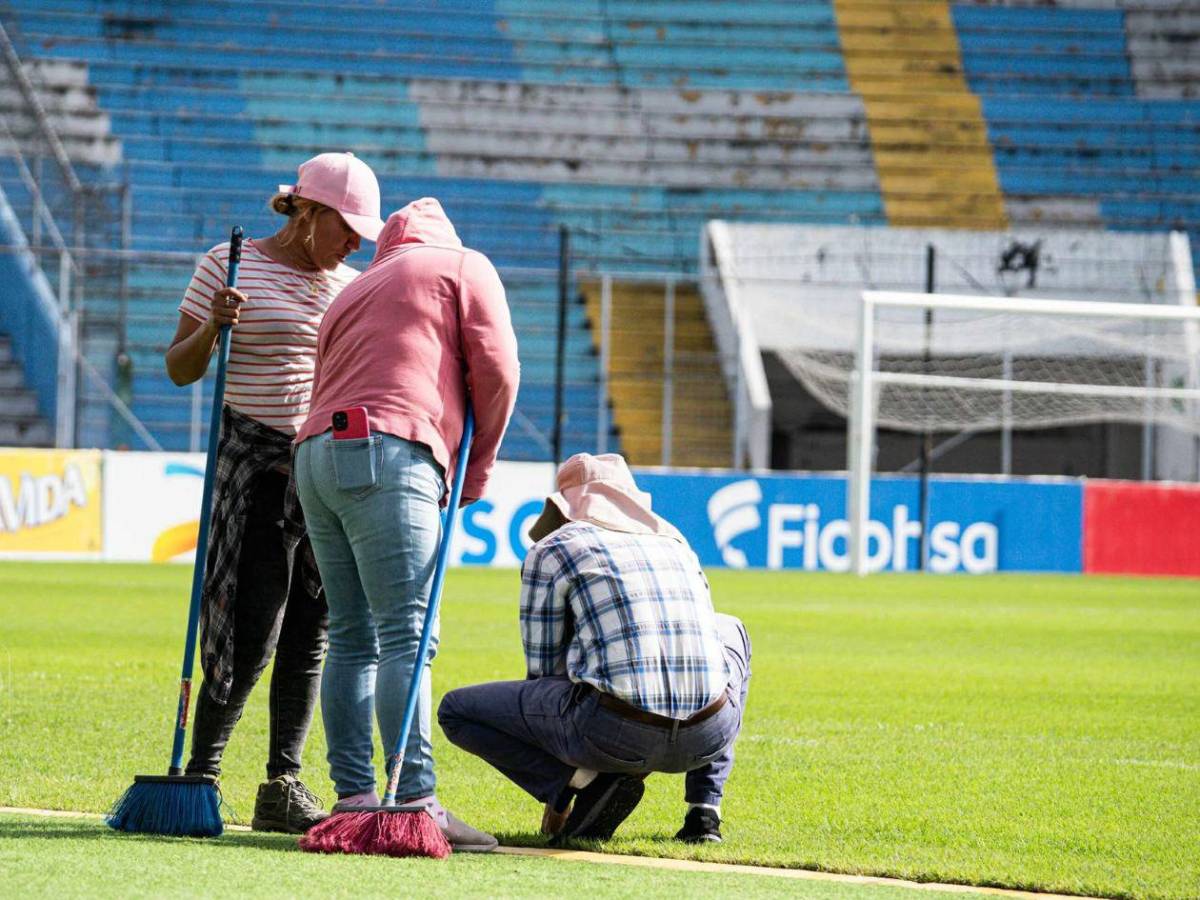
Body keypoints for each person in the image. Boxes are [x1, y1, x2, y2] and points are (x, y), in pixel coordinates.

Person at [165, 151, 385, 833]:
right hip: (253, 468)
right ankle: (201, 773)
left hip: (321, 466)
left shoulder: (351, 286)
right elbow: (179, 369)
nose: (355, 245)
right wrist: (213, 326)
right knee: (250, 628)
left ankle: (282, 784)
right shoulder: (227, 266)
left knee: (312, 632)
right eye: (348, 229)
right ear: (309, 212)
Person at [293, 196, 520, 852]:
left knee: (350, 637)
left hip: (315, 456)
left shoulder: (354, 288)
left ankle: (354, 800)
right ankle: (414, 801)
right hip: (390, 448)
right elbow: (499, 371)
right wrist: (475, 474)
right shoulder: (462, 265)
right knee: (407, 635)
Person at [437, 453, 752, 845]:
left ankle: (577, 782)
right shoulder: (676, 542)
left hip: (613, 734)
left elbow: (543, 671)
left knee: (455, 711)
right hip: (709, 734)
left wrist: (559, 789)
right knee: (731, 627)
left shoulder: (554, 548)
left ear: (567, 505)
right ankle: (704, 812)